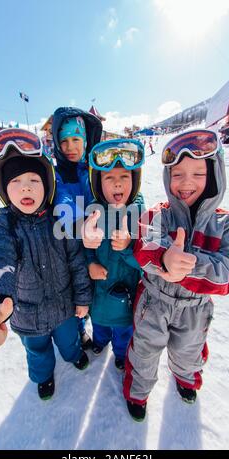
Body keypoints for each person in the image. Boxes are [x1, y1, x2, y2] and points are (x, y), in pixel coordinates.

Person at [123, 129, 229, 421]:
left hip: (195, 309)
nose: (186, 183)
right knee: (144, 352)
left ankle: (186, 380)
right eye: (178, 174)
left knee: (189, 352)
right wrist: (164, 257)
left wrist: (188, 267)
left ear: (215, 175)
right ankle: (137, 393)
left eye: (198, 173)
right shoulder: (160, 214)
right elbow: (142, 241)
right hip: (153, 304)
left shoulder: (225, 224)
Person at [0, 129, 92, 400]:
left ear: (47, 184)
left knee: (69, 341)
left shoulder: (60, 221)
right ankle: (44, 376)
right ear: (3, 189)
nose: (26, 186)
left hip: (65, 307)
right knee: (38, 352)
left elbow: (77, 262)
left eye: (34, 179)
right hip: (27, 315)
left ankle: (73, 355)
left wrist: (82, 298)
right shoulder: (5, 226)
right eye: (16, 180)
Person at [81, 139, 145, 371]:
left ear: (134, 180)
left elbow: (144, 262)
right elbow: (86, 248)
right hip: (99, 294)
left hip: (125, 296)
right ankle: (100, 341)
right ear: (99, 183)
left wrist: (128, 246)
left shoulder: (140, 216)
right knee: (100, 325)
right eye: (109, 177)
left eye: (124, 177)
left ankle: (120, 353)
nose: (117, 184)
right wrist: (90, 264)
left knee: (123, 331)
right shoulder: (93, 212)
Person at [52, 107, 102, 350]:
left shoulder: (94, 168)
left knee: (95, 289)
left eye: (76, 139)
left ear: (85, 140)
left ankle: (97, 326)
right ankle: (80, 330)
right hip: (70, 245)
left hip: (97, 242)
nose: (70, 147)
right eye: (64, 141)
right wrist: (84, 221)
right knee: (76, 294)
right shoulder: (57, 173)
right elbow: (63, 202)